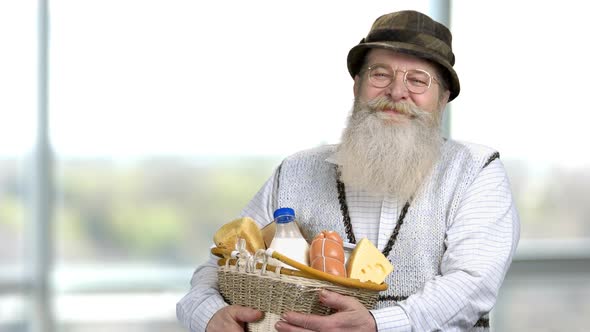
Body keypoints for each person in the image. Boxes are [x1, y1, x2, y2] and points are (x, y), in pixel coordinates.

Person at [177, 9, 520, 332]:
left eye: (418, 81)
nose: (396, 91)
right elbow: (227, 261)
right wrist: (206, 314)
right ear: (357, 85)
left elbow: (472, 283)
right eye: (381, 74)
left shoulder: (476, 171)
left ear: (442, 98)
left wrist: (377, 324)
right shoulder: (296, 170)